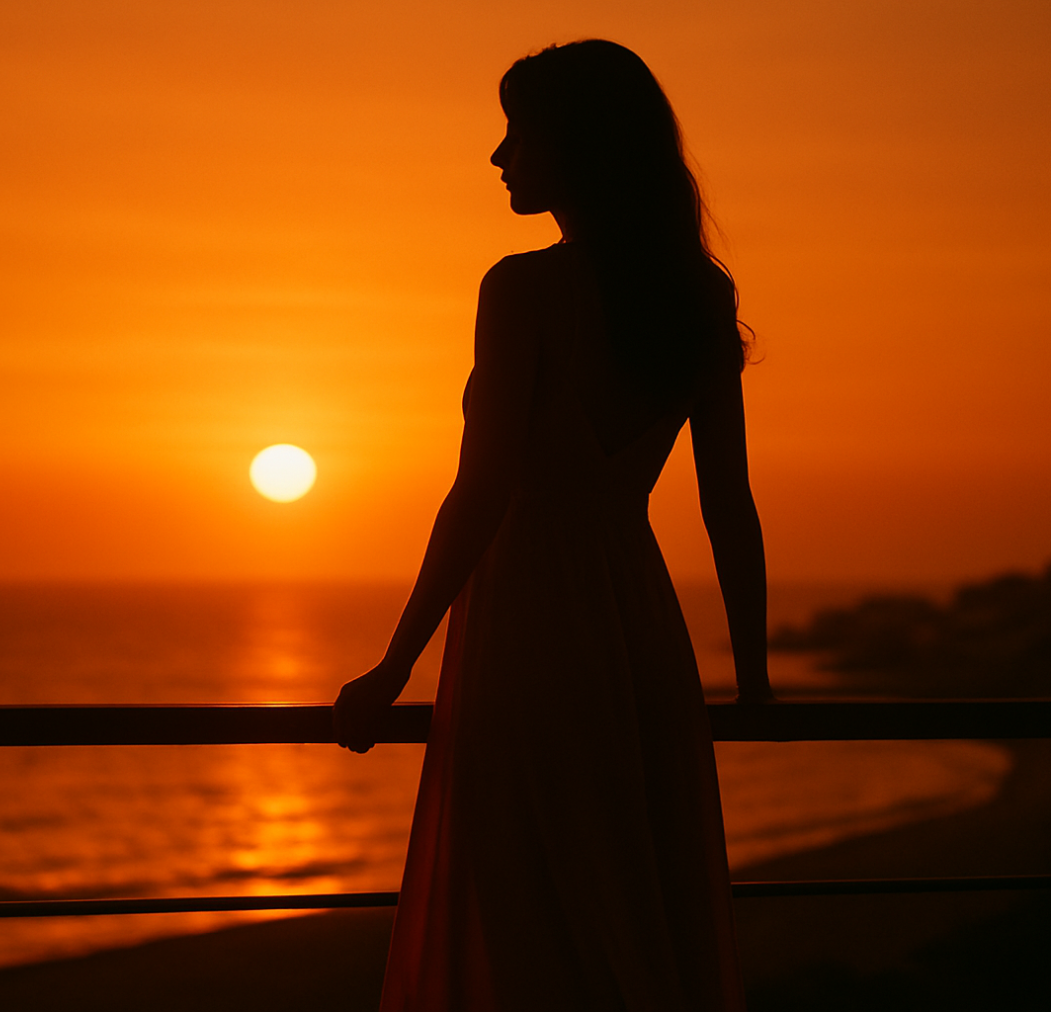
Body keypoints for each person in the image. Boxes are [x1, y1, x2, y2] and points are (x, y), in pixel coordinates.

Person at [333, 39, 772, 1011]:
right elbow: (726, 503)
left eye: (516, 134)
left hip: (526, 628)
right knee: (628, 900)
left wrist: (393, 667)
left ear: (573, 147)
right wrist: (752, 681)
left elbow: (480, 493)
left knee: (530, 917)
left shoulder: (522, 290)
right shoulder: (698, 295)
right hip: (636, 631)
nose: (499, 157)